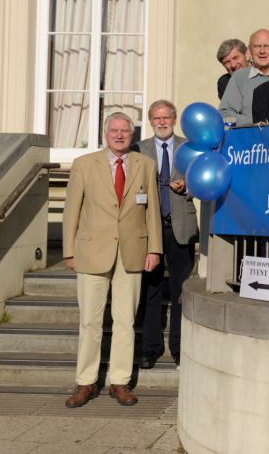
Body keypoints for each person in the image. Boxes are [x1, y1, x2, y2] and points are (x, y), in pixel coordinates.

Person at [62, 112, 161, 408]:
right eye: (114, 131)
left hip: (132, 252)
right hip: (91, 251)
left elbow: (152, 210)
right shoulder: (84, 164)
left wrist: (154, 249)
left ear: (132, 135)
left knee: (125, 321)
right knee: (90, 321)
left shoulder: (145, 164)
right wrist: (68, 251)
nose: (119, 135)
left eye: (125, 131)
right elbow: (72, 211)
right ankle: (86, 382)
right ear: (105, 134)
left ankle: (119, 382)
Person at [136, 100, 197, 370]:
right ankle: (150, 347)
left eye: (166, 118)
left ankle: (179, 348)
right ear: (150, 121)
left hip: (181, 227)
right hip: (149, 229)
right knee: (150, 289)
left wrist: (188, 187)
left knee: (180, 291)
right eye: (157, 118)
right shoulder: (140, 149)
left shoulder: (189, 147)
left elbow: (203, 181)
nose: (162, 122)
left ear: (174, 119)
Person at [219, 29, 269, 124]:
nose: (262, 51)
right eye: (256, 47)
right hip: (250, 136)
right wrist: (254, 124)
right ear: (249, 50)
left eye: (267, 46)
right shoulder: (239, 78)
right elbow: (225, 114)